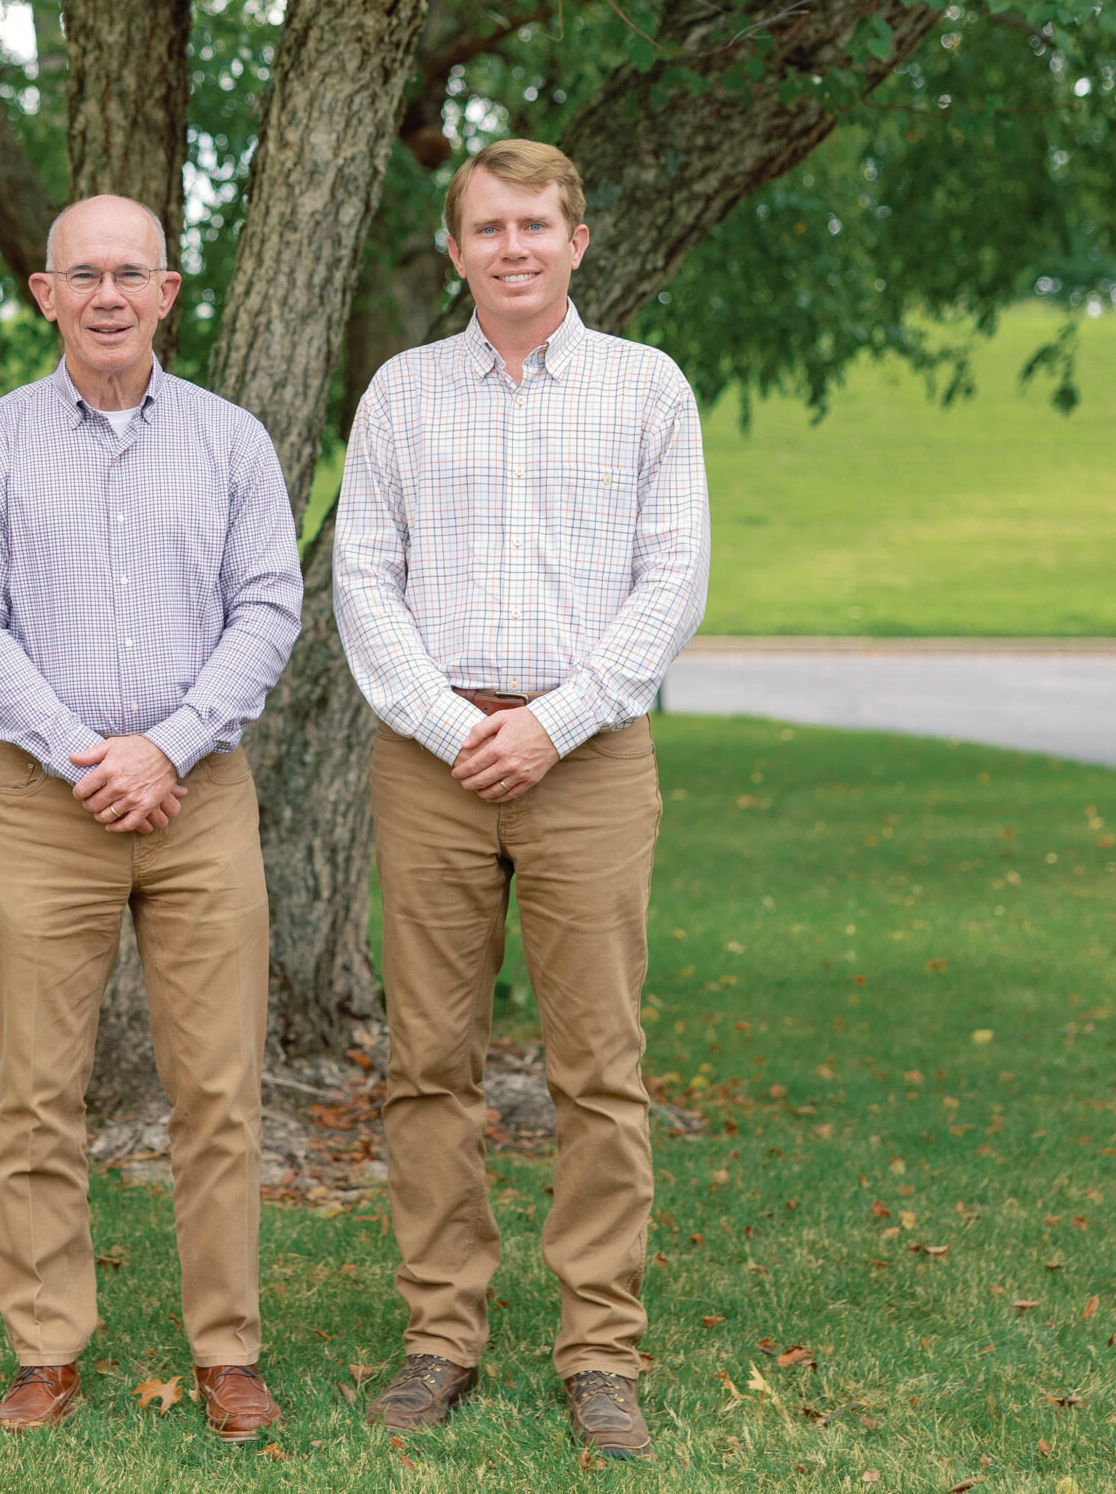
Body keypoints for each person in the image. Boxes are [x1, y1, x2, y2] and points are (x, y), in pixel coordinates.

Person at [334, 140, 709, 1459]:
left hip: (590, 751)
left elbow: (672, 583)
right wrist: (453, 725)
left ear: (579, 238)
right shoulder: (402, 394)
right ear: (454, 250)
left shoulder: (646, 390)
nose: (512, 246)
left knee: (597, 1066)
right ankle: (441, 1332)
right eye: (487, 227)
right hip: (431, 758)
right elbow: (364, 577)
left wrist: (548, 724)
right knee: (426, 1061)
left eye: (536, 223)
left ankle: (600, 1345)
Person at [0, 194, 303, 1444]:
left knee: (218, 1089)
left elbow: (267, 607)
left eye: (127, 274)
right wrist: (88, 753)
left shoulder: (230, 442)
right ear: (44, 294)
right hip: (46, 802)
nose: (104, 295)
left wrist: (167, 747)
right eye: (80, 274)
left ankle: (227, 1352)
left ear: (167, 293)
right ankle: (45, 1348)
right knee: (40, 1092)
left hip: (200, 801)